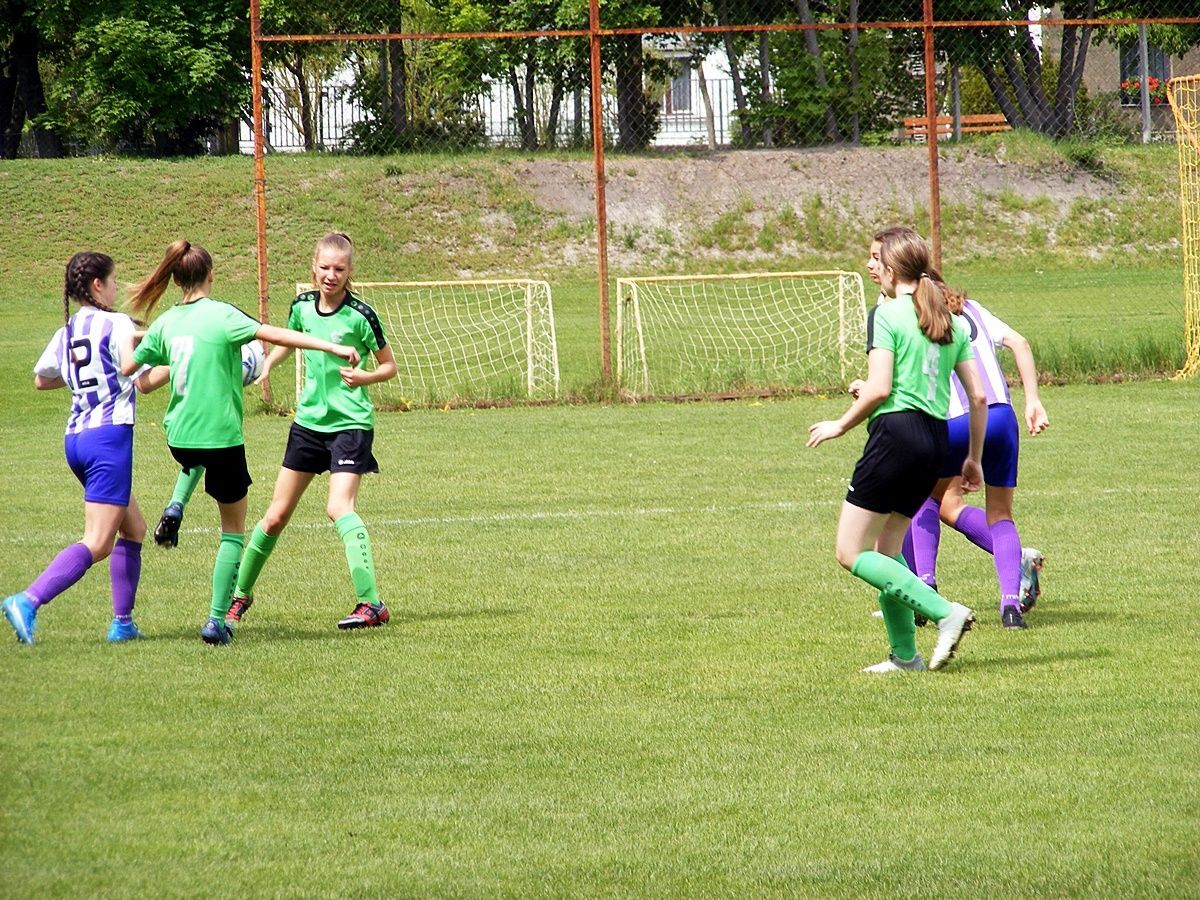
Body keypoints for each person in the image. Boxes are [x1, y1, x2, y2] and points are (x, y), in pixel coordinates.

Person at [119, 239, 360, 645]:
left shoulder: (166, 323)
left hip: (180, 439)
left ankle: (177, 503)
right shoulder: (224, 315)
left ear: (175, 280)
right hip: (222, 440)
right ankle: (216, 620)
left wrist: (133, 336)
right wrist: (331, 345)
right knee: (232, 531)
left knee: (196, 455)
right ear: (211, 275)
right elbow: (279, 334)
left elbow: (136, 377)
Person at [807, 227, 987, 674]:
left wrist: (840, 424)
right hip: (936, 441)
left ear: (890, 270)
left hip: (895, 436)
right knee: (887, 551)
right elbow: (979, 397)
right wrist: (973, 458)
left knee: (850, 552)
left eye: (877, 262)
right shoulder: (949, 320)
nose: (873, 268)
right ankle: (905, 656)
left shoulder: (885, 315)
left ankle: (945, 612)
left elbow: (881, 388)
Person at [226, 232, 397, 631]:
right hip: (308, 425)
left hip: (350, 425)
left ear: (349, 271)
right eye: (324, 267)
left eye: (339, 269)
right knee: (274, 517)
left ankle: (371, 603)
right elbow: (289, 341)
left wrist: (365, 377)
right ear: (313, 268)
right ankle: (239, 596)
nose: (331, 275)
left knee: (339, 507)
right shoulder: (301, 306)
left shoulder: (361, 315)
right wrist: (267, 366)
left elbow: (389, 366)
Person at [3, 252, 165, 645]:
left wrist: (86, 377)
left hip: (76, 440)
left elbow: (42, 380)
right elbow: (140, 380)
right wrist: (186, 363)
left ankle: (122, 624)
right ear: (97, 285)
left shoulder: (69, 328)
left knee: (134, 528)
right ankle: (28, 600)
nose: (116, 287)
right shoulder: (117, 323)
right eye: (113, 281)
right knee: (97, 542)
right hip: (108, 439)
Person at [903, 281, 1049, 629]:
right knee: (1000, 513)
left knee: (924, 499)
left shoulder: (921, 319)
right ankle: (1011, 608)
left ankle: (925, 586)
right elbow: (1020, 343)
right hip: (1002, 418)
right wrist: (1033, 400)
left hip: (957, 419)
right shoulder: (974, 309)